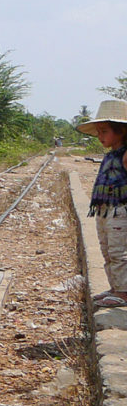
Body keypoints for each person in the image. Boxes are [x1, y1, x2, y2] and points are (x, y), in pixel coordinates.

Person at [77, 99, 127, 308]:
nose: (100, 136)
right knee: (106, 250)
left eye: (104, 131)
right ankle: (115, 287)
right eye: (98, 132)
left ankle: (124, 292)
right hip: (105, 210)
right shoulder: (110, 155)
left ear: (121, 131)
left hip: (119, 211)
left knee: (119, 252)